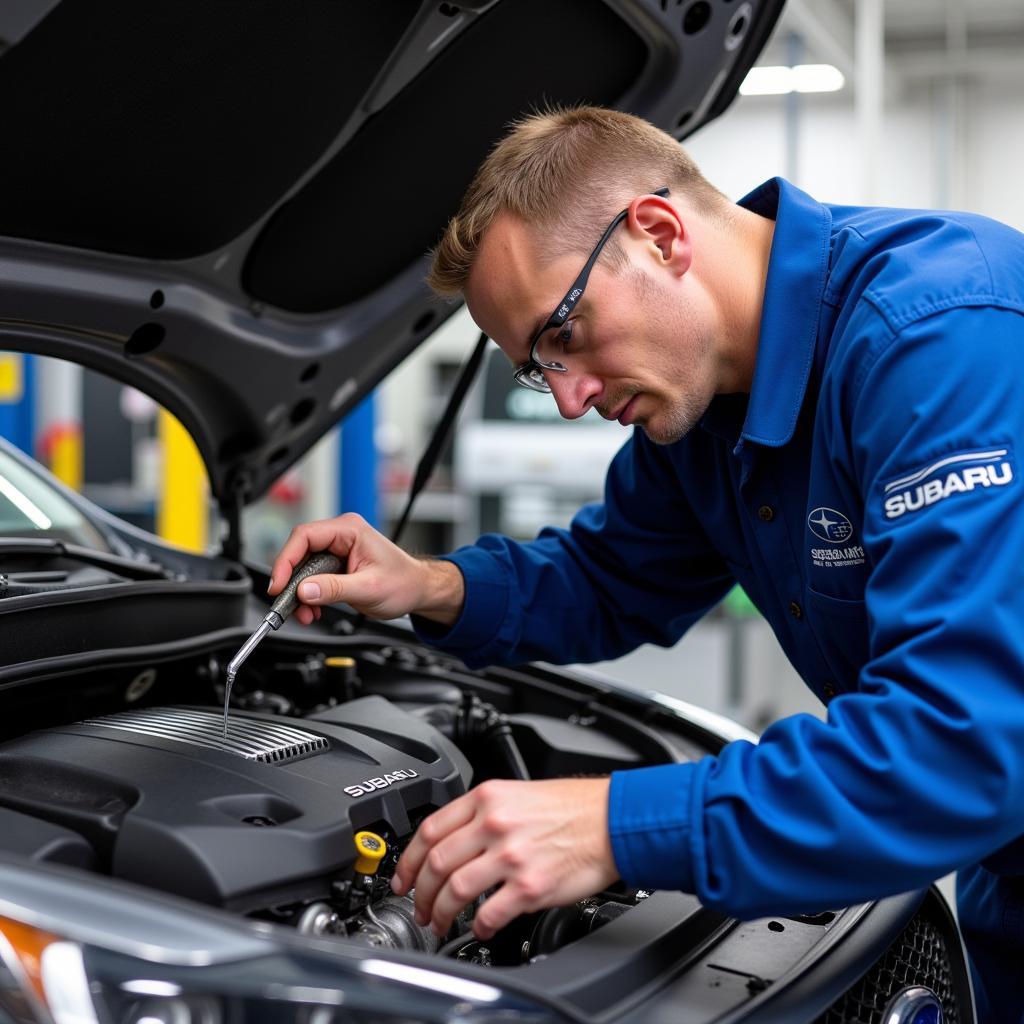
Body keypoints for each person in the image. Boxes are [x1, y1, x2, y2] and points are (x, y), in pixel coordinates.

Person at [269, 106, 1024, 1020]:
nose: (570, 399)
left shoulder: (939, 337)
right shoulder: (703, 415)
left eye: (565, 335)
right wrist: (432, 585)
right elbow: (609, 577)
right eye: (535, 370)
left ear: (659, 235)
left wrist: (613, 825)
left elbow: (959, 743)